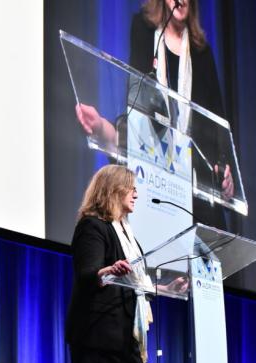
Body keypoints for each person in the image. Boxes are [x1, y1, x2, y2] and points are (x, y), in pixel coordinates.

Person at [75, 0, 234, 222]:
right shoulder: (144, 30)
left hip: (196, 192)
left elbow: (218, 124)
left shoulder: (202, 52)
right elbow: (137, 108)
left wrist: (225, 176)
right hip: (154, 184)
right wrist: (104, 129)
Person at [65, 165, 156, 363]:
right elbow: (86, 274)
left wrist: (167, 287)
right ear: (113, 190)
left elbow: (137, 279)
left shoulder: (127, 232)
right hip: (99, 328)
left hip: (128, 331)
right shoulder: (92, 226)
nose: (136, 195)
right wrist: (109, 270)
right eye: (131, 188)